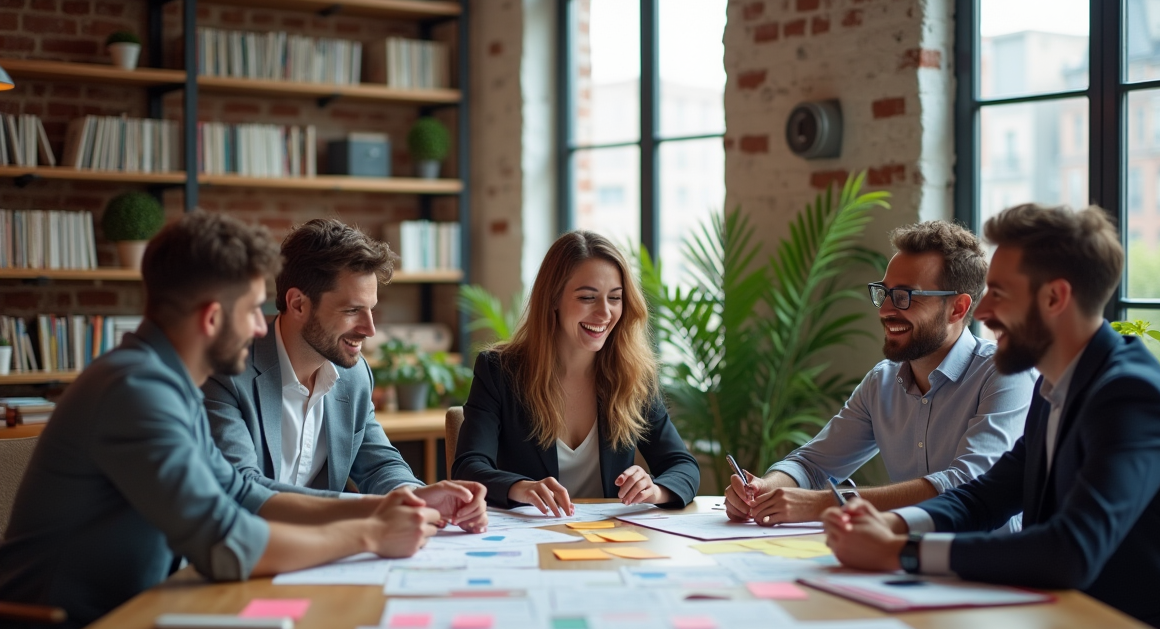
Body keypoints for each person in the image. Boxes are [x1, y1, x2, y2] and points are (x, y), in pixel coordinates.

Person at [0, 212, 442, 629]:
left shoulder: (164, 381)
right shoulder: (136, 390)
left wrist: (384, 508)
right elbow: (225, 540)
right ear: (212, 318)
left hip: (132, 621)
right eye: (252, 309)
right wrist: (371, 535)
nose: (258, 327)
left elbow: (242, 494)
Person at [823, 204, 1160, 629]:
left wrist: (901, 553)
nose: (981, 312)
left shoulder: (1130, 396)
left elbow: (1070, 550)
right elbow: (989, 495)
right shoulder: (1056, 384)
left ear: (1054, 298)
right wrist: (898, 527)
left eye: (999, 293)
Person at [726, 221, 1035, 528]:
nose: (885, 310)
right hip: (901, 557)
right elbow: (812, 465)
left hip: (987, 566)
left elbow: (966, 484)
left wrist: (824, 504)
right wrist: (769, 486)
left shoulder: (1005, 373)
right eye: (883, 293)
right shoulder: (882, 382)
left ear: (957, 308)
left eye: (904, 296)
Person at [203, 219, 486, 532]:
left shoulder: (354, 375)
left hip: (323, 554)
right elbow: (243, 489)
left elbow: (379, 465)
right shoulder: (228, 372)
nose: (370, 329)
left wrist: (420, 498)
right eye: (352, 311)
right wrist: (378, 508)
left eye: (371, 310)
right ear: (298, 304)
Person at [452, 230, 700, 515]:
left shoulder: (633, 375)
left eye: (615, 298)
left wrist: (654, 489)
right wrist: (521, 487)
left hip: (609, 542)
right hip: (530, 540)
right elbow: (468, 468)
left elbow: (682, 466)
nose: (605, 313)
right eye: (587, 297)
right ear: (553, 299)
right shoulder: (499, 372)